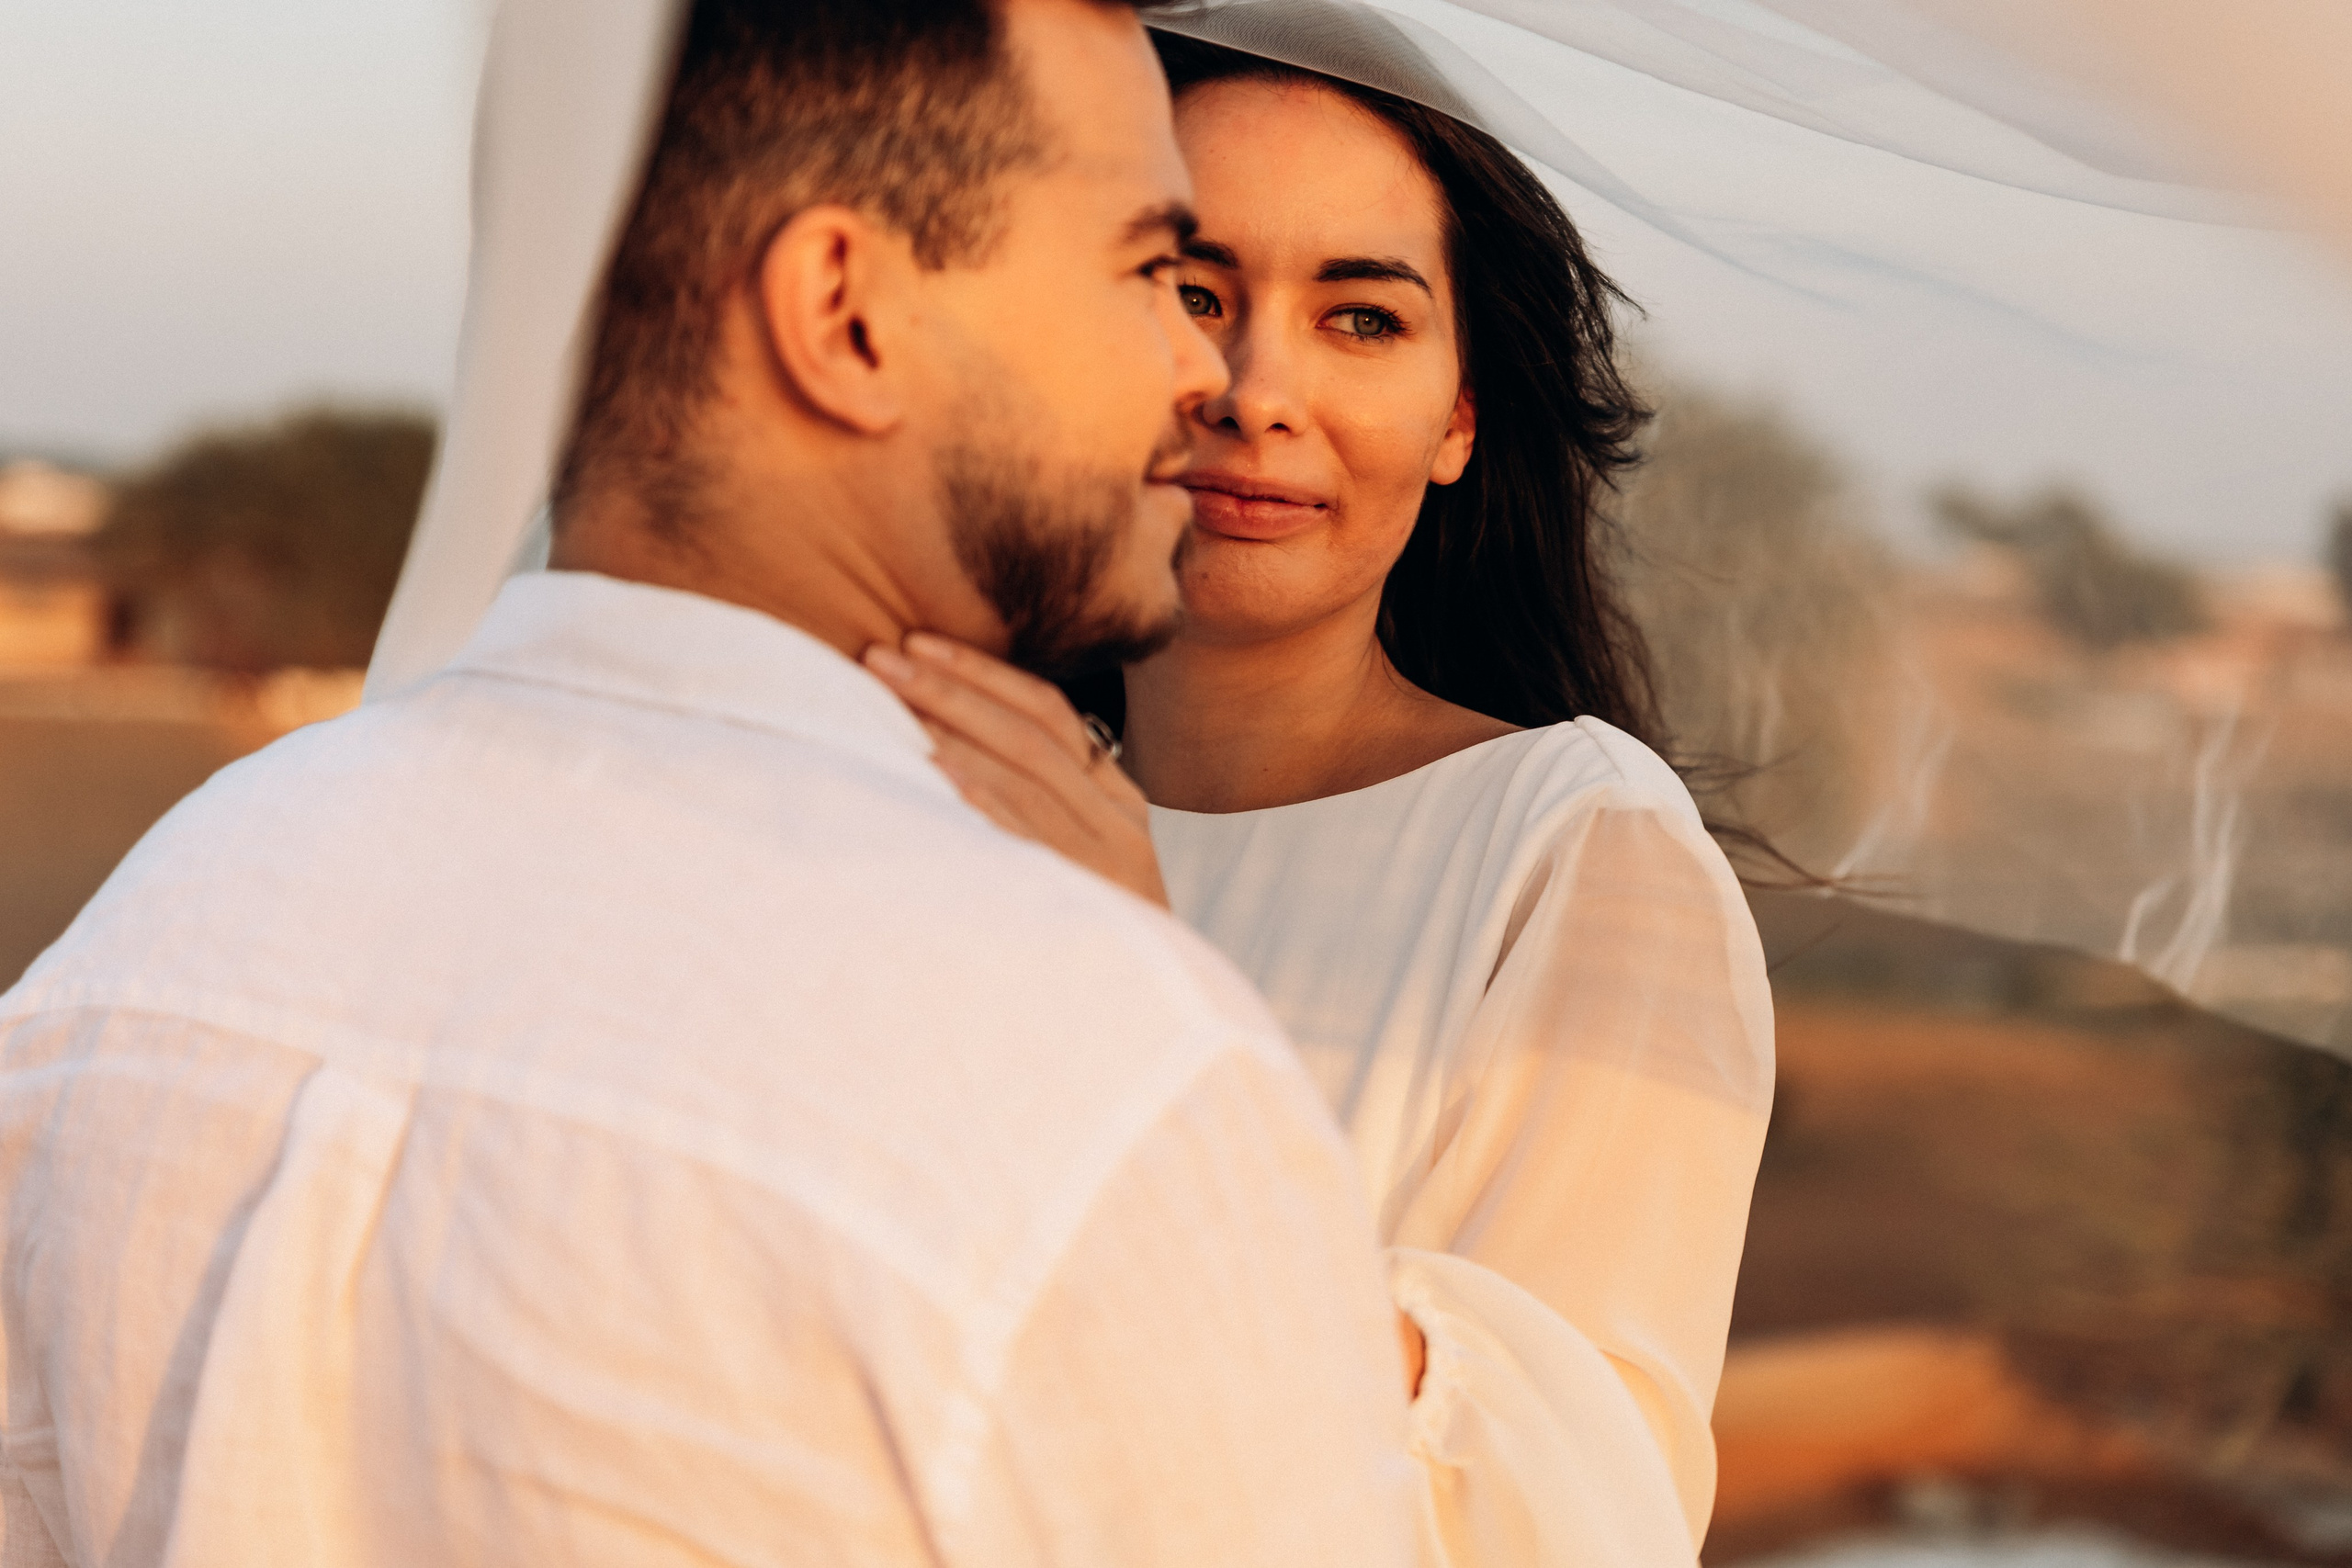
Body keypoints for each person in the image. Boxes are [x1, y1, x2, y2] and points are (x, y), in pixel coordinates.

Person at [0, 5, 1428, 1563]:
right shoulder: (1099, 1065)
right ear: (845, 314)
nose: (1198, 369)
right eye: (1152, 270)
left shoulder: (141, 941)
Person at [872, 33, 1775, 1567]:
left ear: (1459, 420)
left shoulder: (1573, 851)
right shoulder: (899, 802)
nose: (1254, 391)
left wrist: (1128, 994)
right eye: (1191, 288)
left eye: (1360, 318)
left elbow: (1561, 1519)